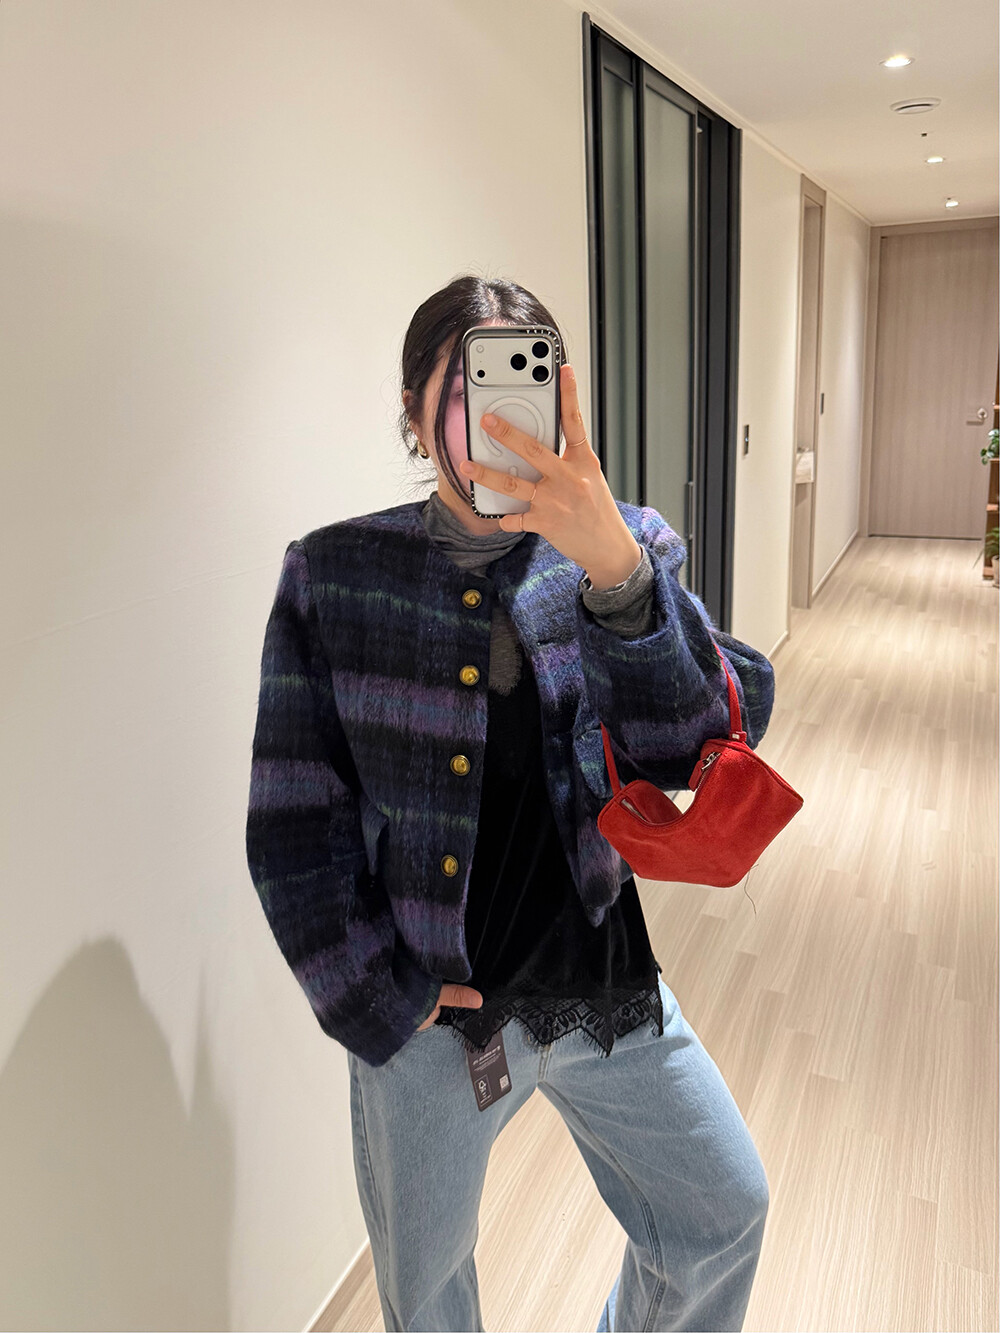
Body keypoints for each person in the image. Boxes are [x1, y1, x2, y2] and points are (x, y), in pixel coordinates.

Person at [246, 275, 775, 1332]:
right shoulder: (334, 575)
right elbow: (293, 824)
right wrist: (379, 996)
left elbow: (703, 739)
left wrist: (618, 573)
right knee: (428, 1292)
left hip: (598, 981)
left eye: (521, 380)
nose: (495, 419)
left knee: (723, 1213)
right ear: (412, 412)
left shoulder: (624, 542)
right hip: (431, 1019)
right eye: (463, 389)